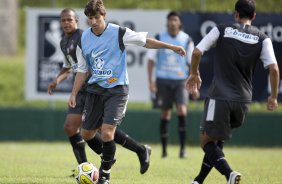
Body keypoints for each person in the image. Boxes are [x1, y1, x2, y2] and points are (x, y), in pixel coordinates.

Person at [68, 0, 186, 183]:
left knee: (107, 132)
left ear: (104, 16)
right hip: (95, 90)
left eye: (96, 18)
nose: (93, 22)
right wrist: (74, 93)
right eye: (90, 18)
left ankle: (104, 175)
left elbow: (145, 42)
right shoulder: (84, 39)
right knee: (87, 134)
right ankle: (126, 153)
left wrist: (171, 47)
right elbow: (82, 70)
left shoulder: (118, 32)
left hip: (117, 89)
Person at [47, 8, 152, 176]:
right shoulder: (63, 42)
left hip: (94, 89)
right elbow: (70, 66)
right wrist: (57, 80)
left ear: (77, 21)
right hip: (82, 89)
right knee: (71, 127)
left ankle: (129, 154)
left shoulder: (85, 36)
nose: (66, 23)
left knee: (101, 129)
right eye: (63, 20)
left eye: (69, 19)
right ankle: (86, 167)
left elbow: (89, 66)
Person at [186, 0, 280, 184]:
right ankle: (198, 181)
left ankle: (229, 174)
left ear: (235, 14)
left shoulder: (221, 29)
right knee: (216, 139)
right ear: (254, 16)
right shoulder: (263, 38)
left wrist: (193, 73)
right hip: (243, 100)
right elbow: (274, 69)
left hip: (219, 96)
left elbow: (197, 52)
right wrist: (274, 96)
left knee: (206, 141)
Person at [146, 11, 195, 159]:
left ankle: (182, 149)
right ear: (167, 22)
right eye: (170, 20)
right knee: (165, 113)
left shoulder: (186, 39)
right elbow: (150, 61)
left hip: (181, 81)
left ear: (179, 22)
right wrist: (151, 81)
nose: (173, 22)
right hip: (163, 80)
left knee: (182, 110)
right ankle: (164, 151)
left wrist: (193, 80)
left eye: (175, 20)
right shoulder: (160, 38)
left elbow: (193, 62)